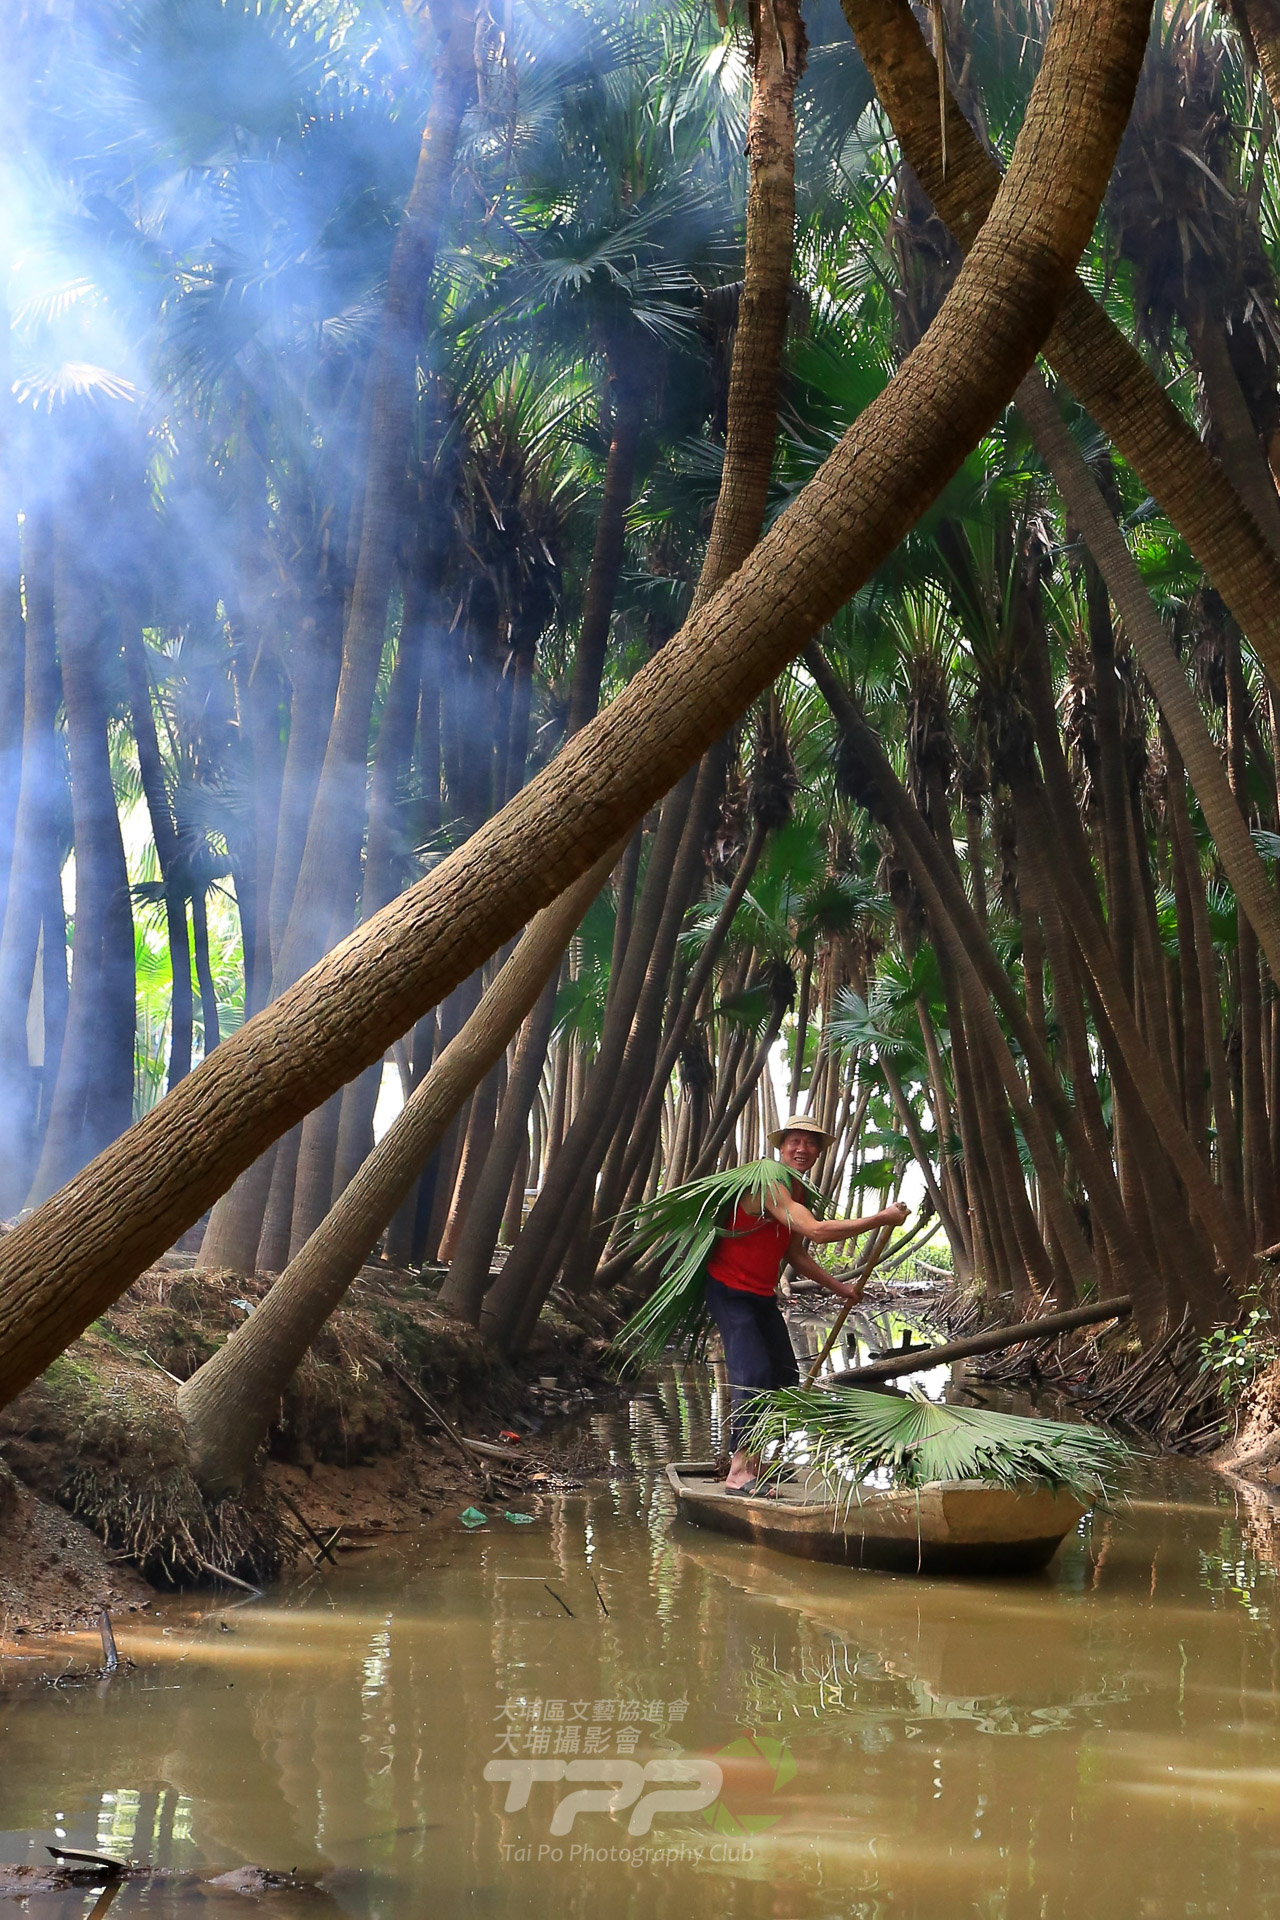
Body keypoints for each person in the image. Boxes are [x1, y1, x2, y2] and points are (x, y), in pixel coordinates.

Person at [704, 1115, 909, 1493]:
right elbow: (815, 1231)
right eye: (795, 1141)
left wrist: (839, 1289)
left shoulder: (796, 1192)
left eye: (810, 1143)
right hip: (729, 1290)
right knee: (754, 1374)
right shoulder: (768, 1183)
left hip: (760, 1294)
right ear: (781, 1147)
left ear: (818, 1151)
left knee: (784, 1377)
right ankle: (737, 1472)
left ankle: (755, 1460)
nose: (802, 1149)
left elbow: (795, 1253)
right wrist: (881, 1217)